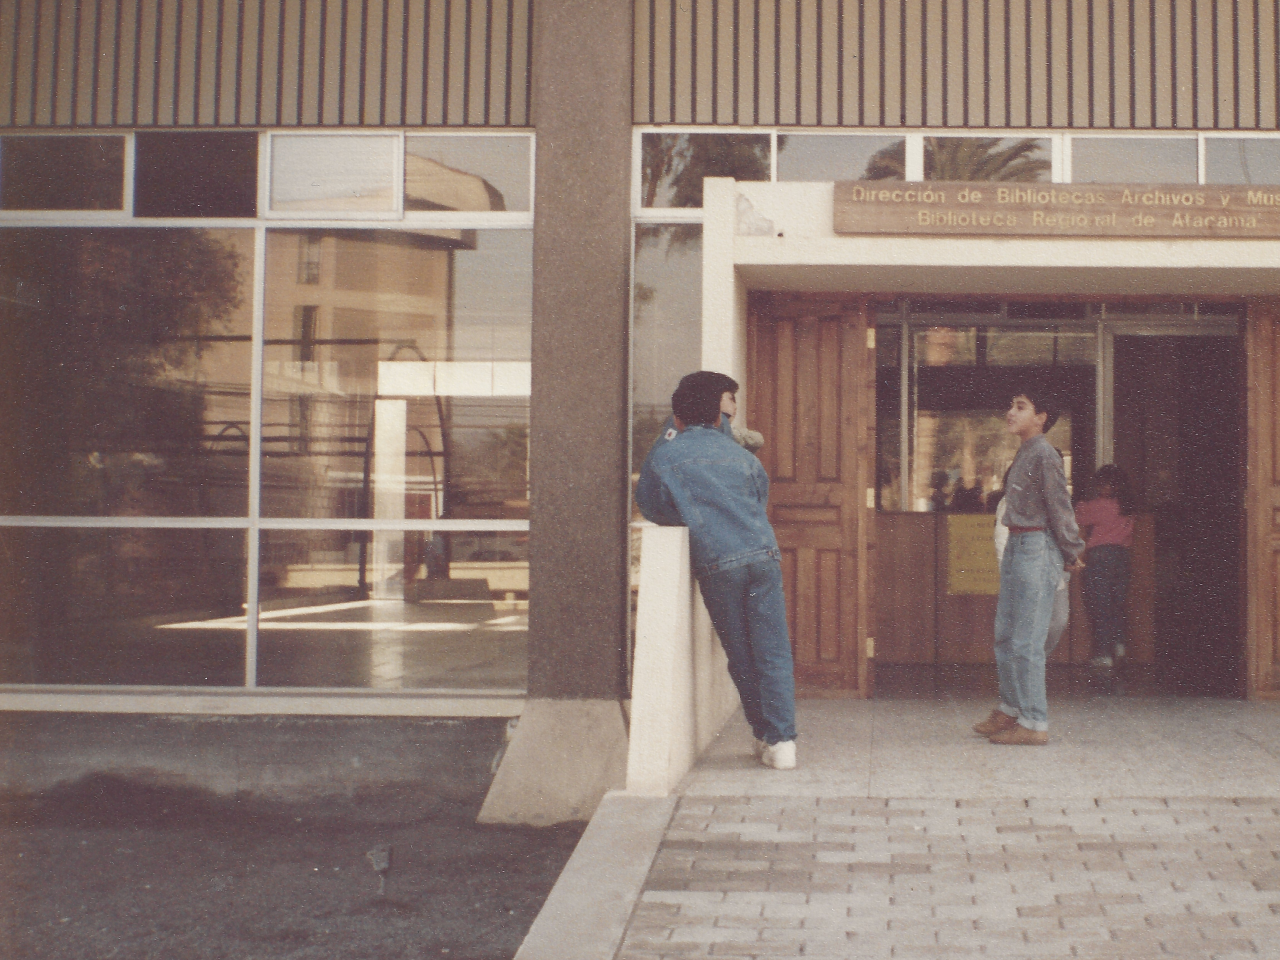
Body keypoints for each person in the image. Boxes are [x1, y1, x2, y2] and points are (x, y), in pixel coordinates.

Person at [635, 371, 797, 769]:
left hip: (717, 561)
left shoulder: (666, 455)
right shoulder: (743, 456)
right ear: (717, 411)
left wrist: (693, 517)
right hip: (762, 555)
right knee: (772, 651)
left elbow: (652, 506)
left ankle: (763, 735)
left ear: (680, 414)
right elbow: (758, 498)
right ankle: (783, 742)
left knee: (741, 654)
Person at [973, 386, 1085, 746]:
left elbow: (1060, 506)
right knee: (1005, 636)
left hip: (1037, 547)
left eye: (1020, 406)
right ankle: (1011, 709)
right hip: (1017, 545)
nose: (1011, 412)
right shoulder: (1026, 452)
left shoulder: (1046, 455)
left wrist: (1072, 549)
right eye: (1011, 404)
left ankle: (1034, 724)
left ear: (1041, 418)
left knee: (1026, 641)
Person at [1074, 464, 1135, 673]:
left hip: (1100, 556)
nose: (1101, 487)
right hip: (1122, 556)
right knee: (1117, 605)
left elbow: (1080, 517)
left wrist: (1081, 502)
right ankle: (1119, 647)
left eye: (1104, 483)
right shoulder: (1127, 507)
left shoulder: (1100, 505)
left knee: (1099, 606)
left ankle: (1103, 655)